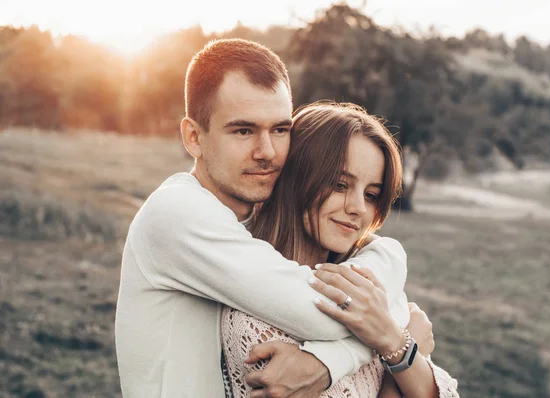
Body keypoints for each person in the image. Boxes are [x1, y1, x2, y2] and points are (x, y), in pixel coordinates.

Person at [115, 38, 437, 398]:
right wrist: (392, 331)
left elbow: (374, 258)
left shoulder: (251, 226)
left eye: (280, 130)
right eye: (243, 130)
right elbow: (321, 313)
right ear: (194, 137)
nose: (267, 152)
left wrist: (390, 258)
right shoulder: (177, 213)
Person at [221, 102, 458, 397]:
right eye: (339, 185)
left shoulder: (367, 286)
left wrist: (395, 344)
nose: (358, 208)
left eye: (371, 195)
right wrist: (400, 351)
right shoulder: (254, 319)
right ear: (295, 176)